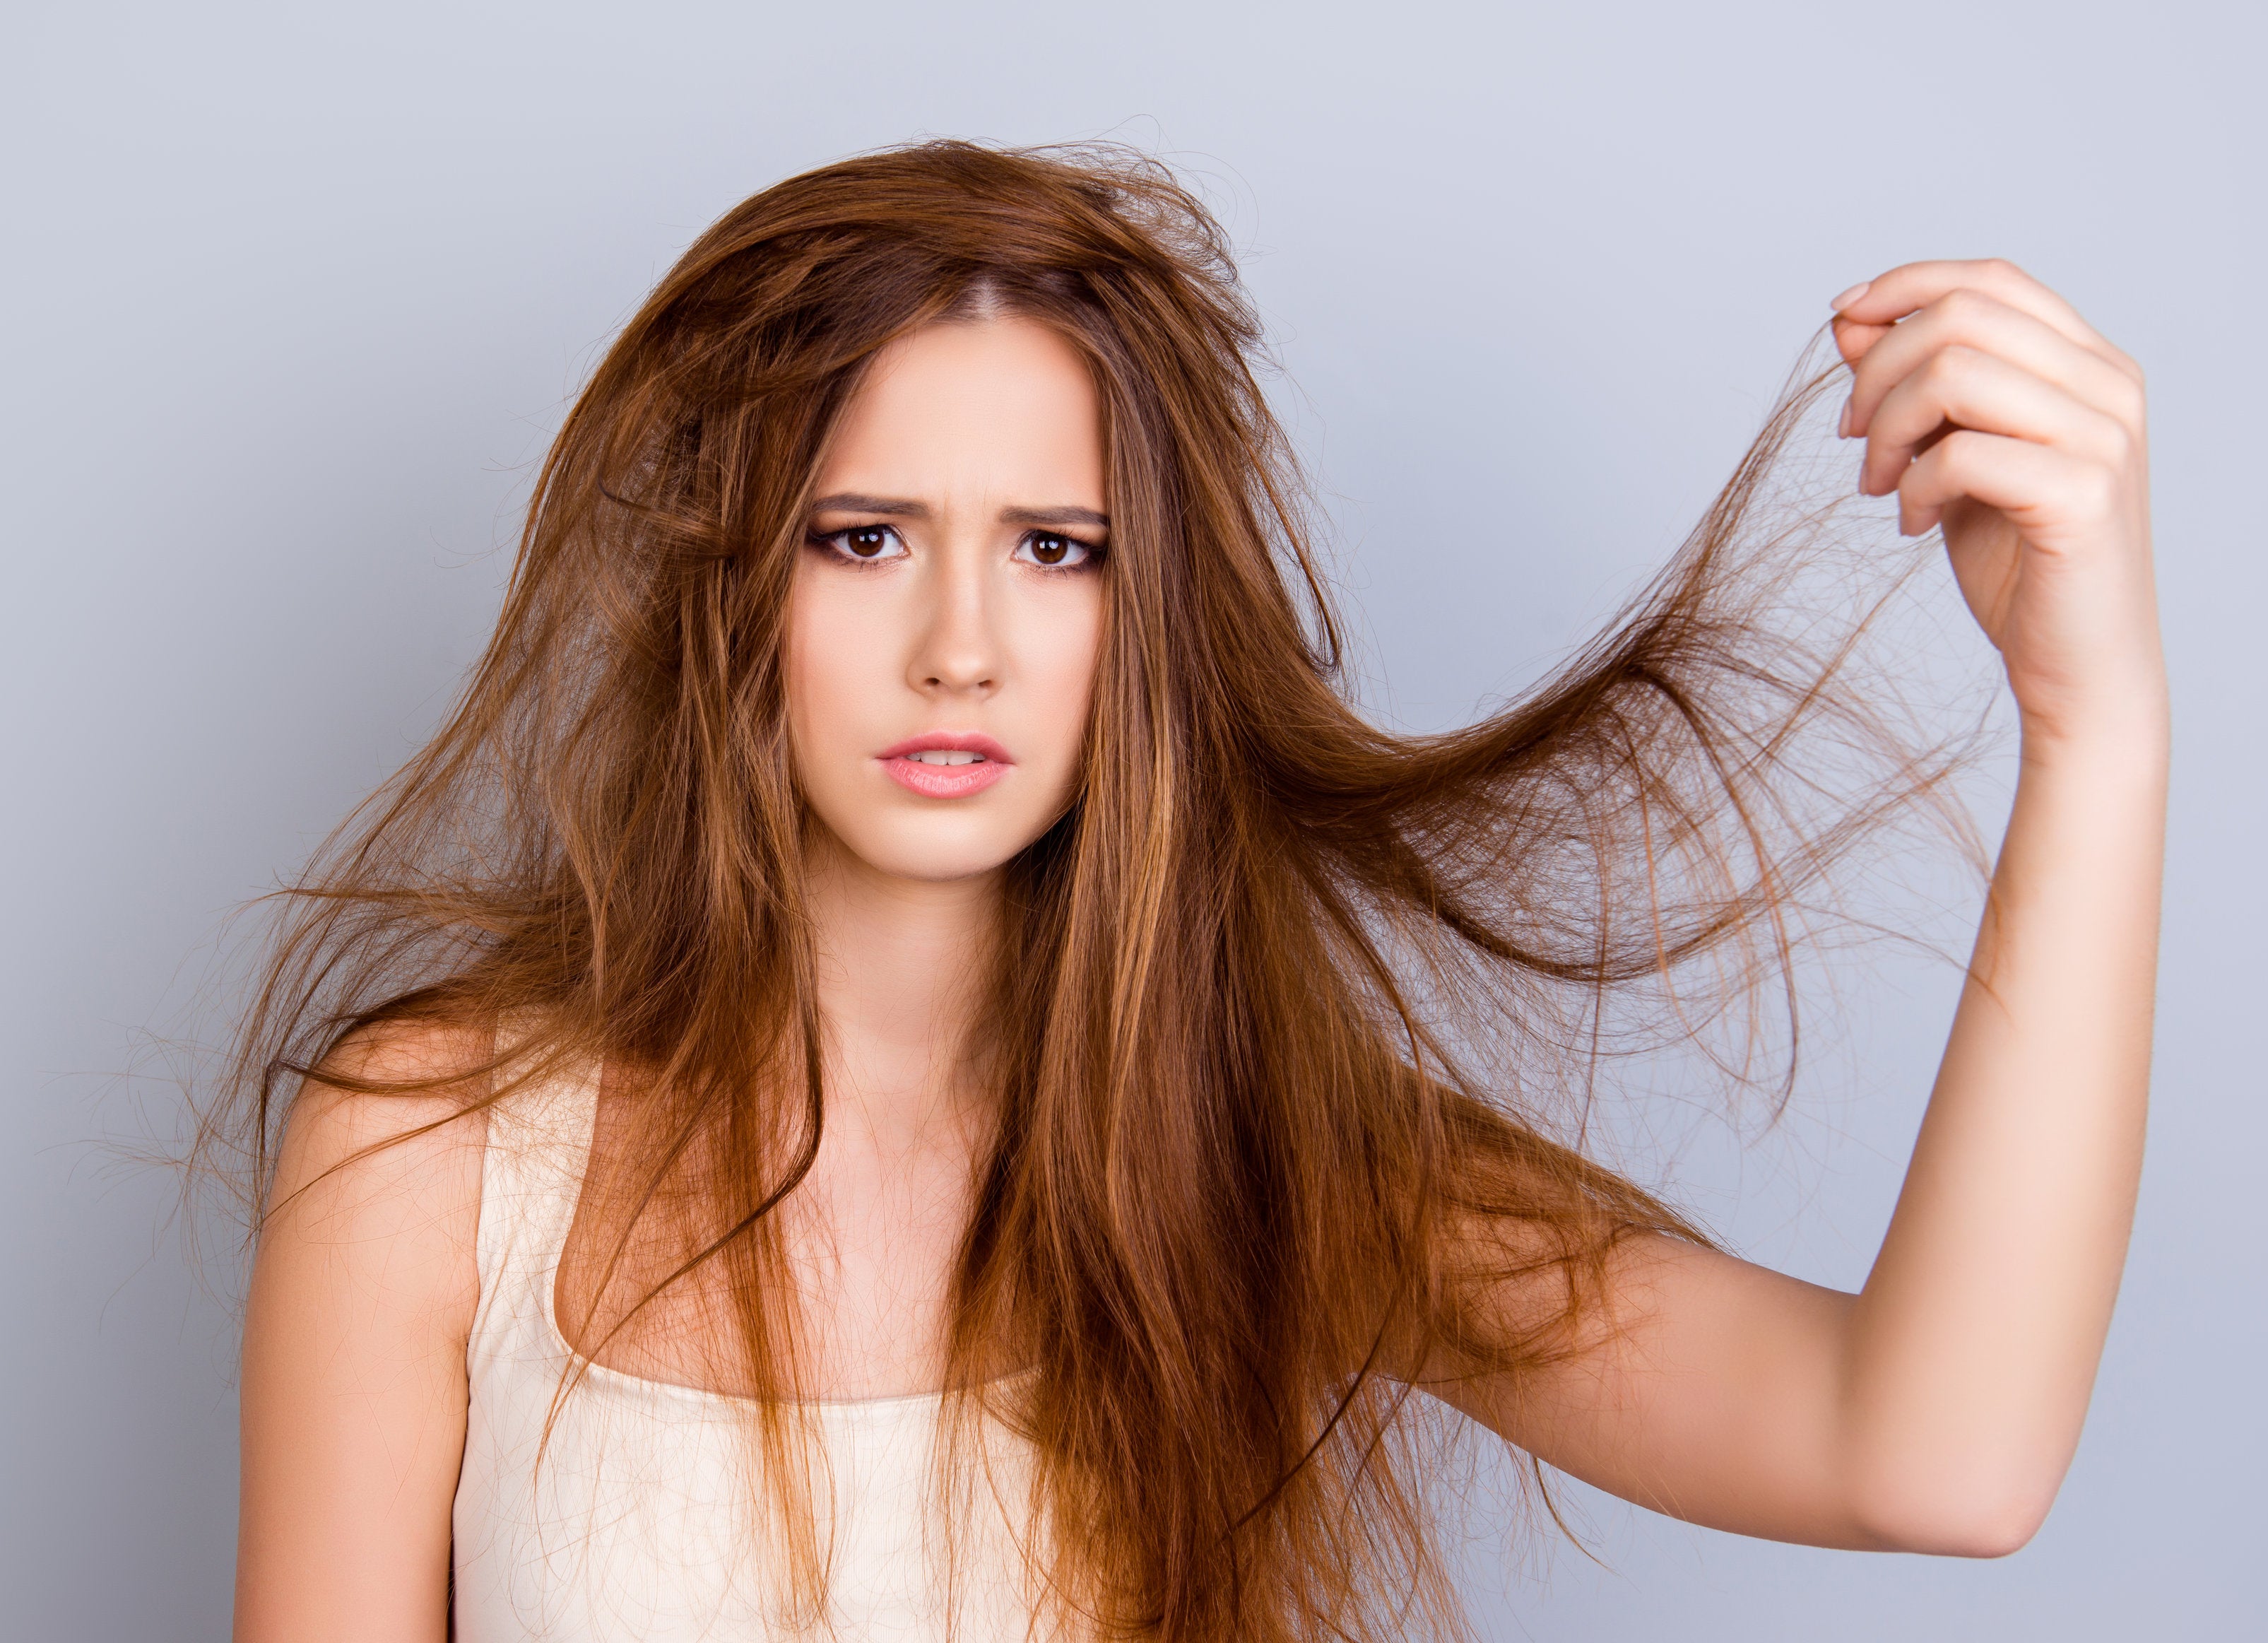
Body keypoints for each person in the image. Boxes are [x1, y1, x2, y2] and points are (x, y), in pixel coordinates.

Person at [218, 141, 2165, 1642]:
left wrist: (2096, 727)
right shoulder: (431, 1158)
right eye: (867, 535)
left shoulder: (1273, 1160)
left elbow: (1930, 1457)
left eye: (1056, 546)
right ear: (731, 579)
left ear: (1146, 611)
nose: (961, 643)